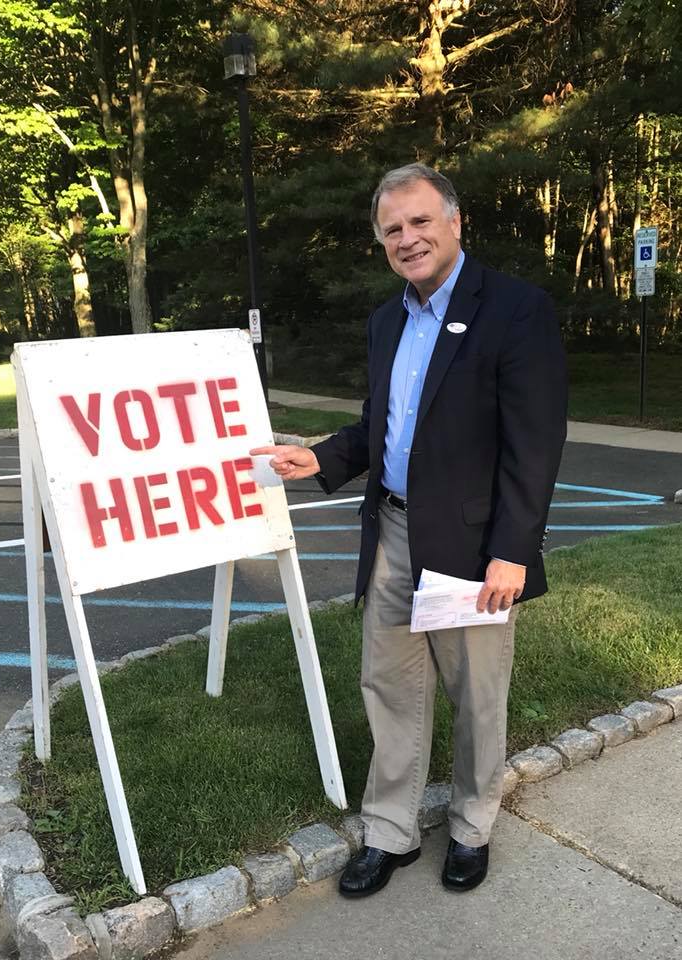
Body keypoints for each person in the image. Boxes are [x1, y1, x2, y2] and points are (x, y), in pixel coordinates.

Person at [251, 162, 567, 896]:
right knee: (389, 684)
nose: (408, 238)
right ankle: (390, 832)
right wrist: (322, 458)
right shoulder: (386, 321)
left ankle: (471, 826)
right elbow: (382, 425)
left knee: (476, 693)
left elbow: (534, 443)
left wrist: (512, 551)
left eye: (421, 221)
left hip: (472, 546)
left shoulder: (516, 309)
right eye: (392, 229)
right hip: (392, 533)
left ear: (455, 221)